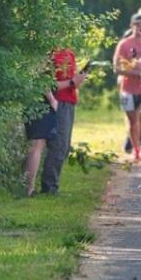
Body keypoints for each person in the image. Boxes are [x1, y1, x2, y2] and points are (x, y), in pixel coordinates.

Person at [39, 48, 86, 195]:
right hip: (57, 101)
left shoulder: (70, 52)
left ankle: (52, 184)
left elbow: (72, 84)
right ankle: (49, 187)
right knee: (58, 145)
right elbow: (46, 84)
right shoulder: (50, 53)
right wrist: (72, 82)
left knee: (64, 146)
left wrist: (78, 80)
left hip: (70, 102)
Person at [114, 14, 141, 162]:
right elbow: (117, 68)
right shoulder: (124, 44)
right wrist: (137, 72)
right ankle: (136, 149)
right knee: (132, 121)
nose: (140, 28)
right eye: (137, 25)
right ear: (132, 26)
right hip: (128, 88)